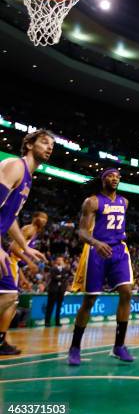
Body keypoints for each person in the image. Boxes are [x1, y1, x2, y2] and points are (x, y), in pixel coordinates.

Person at [68, 169, 134, 365]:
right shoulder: (92, 202)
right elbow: (81, 232)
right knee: (89, 300)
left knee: (127, 292)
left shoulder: (124, 202)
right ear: (103, 179)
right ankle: (75, 347)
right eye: (110, 176)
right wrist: (96, 242)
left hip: (119, 251)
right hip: (96, 251)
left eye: (117, 176)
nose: (114, 178)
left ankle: (119, 346)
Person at [0, 131, 52, 355]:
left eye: (52, 145)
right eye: (44, 142)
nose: (49, 147)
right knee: (9, 295)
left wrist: (25, 246)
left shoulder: (28, 178)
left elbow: (9, 217)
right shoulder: (16, 166)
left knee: (10, 296)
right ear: (29, 144)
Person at [45, 256, 71, 327]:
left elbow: (66, 276)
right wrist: (61, 277)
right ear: (56, 261)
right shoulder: (52, 269)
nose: (60, 261)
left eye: (61, 260)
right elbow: (54, 277)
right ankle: (47, 322)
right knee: (50, 306)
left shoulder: (65, 269)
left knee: (59, 307)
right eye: (58, 260)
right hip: (53, 290)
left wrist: (60, 277)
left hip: (61, 290)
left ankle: (57, 322)